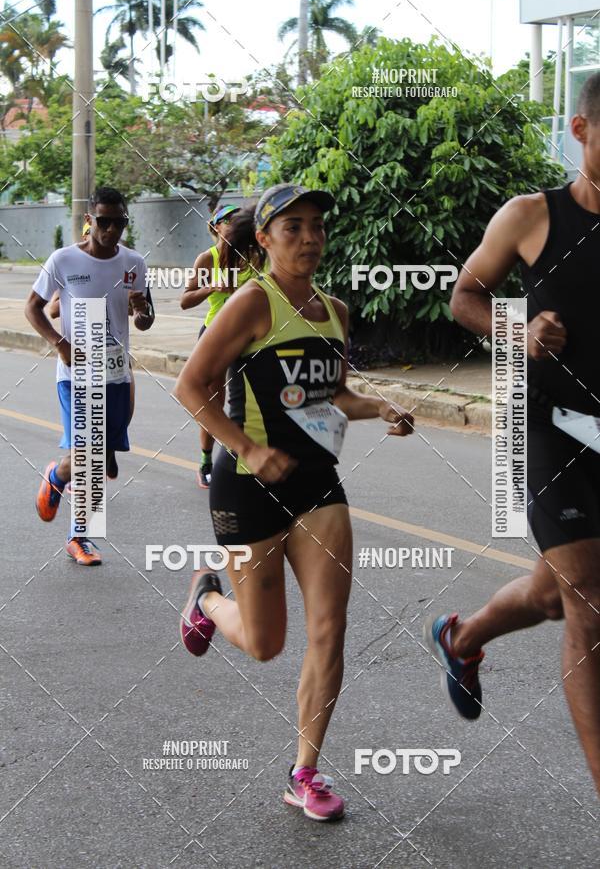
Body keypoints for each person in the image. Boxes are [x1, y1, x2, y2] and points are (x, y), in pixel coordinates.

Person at [174, 183, 414, 820]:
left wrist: (380, 407)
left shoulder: (335, 311)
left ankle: (305, 771)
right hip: (246, 485)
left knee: (330, 628)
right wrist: (247, 449)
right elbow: (190, 386)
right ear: (265, 238)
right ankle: (206, 598)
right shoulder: (252, 302)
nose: (309, 238)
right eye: (293, 227)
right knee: (264, 643)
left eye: (317, 226)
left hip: (317, 485)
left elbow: (333, 397)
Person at [424, 72, 600, 797]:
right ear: (580, 130)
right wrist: (516, 329)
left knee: (555, 594)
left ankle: (461, 638)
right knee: (586, 597)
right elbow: (465, 295)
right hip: (550, 425)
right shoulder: (531, 216)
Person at [25, 186, 149, 566]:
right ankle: (80, 537)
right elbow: (33, 308)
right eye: (104, 221)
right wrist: (60, 344)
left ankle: (57, 475)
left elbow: (145, 318)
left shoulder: (134, 262)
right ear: (89, 220)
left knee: (92, 455)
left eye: (119, 222)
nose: (111, 230)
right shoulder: (63, 260)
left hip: (117, 375)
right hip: (76, 374)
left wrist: (142, 312)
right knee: (91, 457)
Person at [46, 224, 155, 477]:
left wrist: (137, 308)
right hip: (81, 366)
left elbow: (144, 319)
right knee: (85, 455)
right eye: (89, 235)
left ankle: (108, 449)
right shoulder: (70, 264)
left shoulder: (129, 264)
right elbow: (51, 309)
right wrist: (82, 295)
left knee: (119, 423)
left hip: (115, 361)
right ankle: (64, 475)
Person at [181, 204, 254, 488]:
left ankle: (244, 460)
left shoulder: (253, 256)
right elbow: (185, 300)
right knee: (213, 402)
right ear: (215, 227)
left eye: (239, 219)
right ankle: (205, 461)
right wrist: (212, 286)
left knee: (250, 401)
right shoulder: (207, 259)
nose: (235, 223)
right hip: (214, 336)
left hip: (248, 335)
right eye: (228, 219)